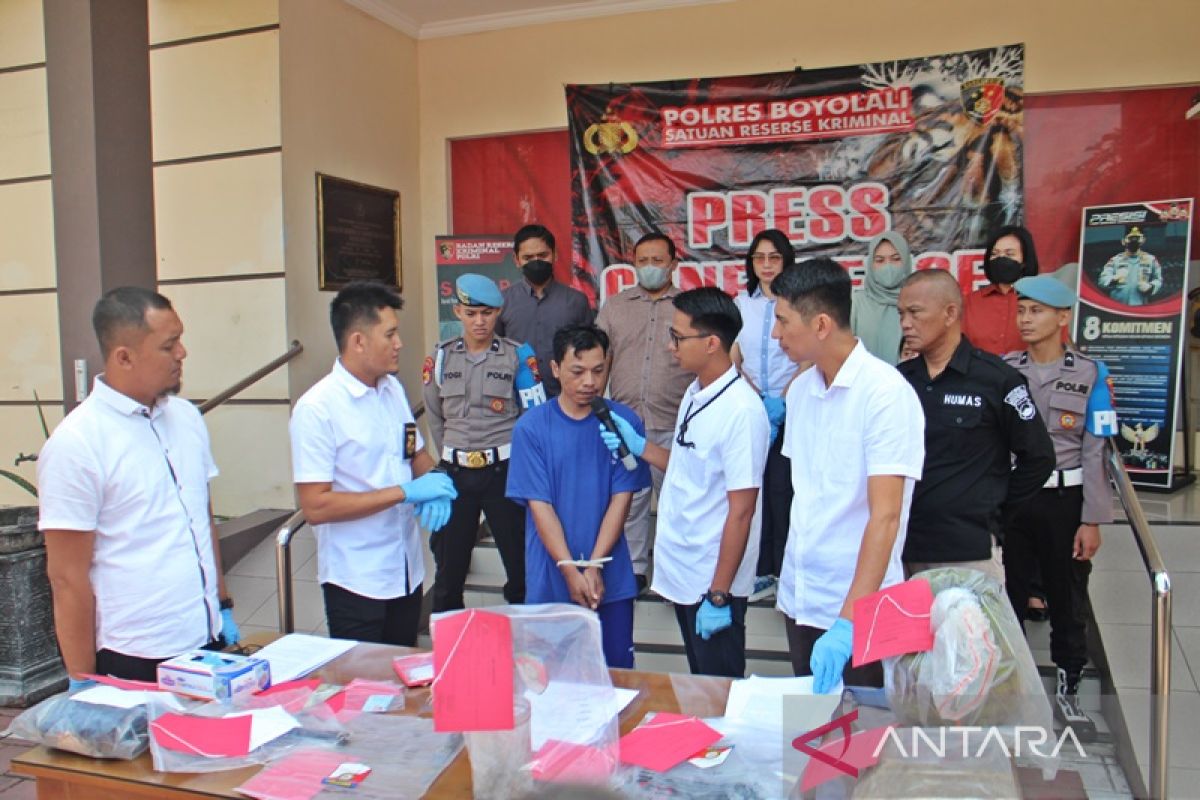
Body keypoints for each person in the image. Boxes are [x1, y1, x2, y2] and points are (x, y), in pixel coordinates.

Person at [39, 287, 238, 684]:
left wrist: (223, 602)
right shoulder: (77, 443)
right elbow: (66, 577)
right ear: (124, 357)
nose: (182, 353)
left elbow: (201, 516)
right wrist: (83, 679)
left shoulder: (186, 418)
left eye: (180, 340)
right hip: (136, 655)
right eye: (168, 345)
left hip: (205, 639)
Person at [768, 260, 925, 692]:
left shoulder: (885, 394)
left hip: (862, 608)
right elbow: (807, 495)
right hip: (803, 597)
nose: (776, 334)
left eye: (783, 320)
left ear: (821, 324)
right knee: (813, 722)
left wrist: (849, 620)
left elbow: (886, 517)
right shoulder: (801, 391)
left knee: (870, 726)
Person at [600, 287, 769, 678]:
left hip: (713, 580)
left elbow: (742, 512)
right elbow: (688, 467)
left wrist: (719, 594)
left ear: (711, 343)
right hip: (686, 570)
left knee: (721, 690)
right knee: (701, 683)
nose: (670, 346)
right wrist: (641, 447)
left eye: (678, 337)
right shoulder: (695, 392)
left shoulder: (742, 411)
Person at [290, 281, 457, 646]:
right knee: (362, 678)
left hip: (406, 571)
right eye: (390, 334)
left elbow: (413, 453)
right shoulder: (317, 409)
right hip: (357, 580)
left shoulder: (391, 389)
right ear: (358, 341)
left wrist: (437, 484)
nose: (400, 344)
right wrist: (404, 492)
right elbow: (316, 506)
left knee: (400, 671)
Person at [1003, 274, 1116, 739]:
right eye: (1021, 310)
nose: (1025, 319)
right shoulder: (1006, 370)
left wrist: (1093, 518)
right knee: (1007, 598)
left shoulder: (1091, 374)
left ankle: (1068, 691)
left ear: (1063, 317)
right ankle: (1010, 692)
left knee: (1067, 598)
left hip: (1064, 501)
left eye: (1036, 311)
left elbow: (1097, 450)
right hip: (1015, 499)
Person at [897, 269, 1055, 581]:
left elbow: (1038, 458)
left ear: (949, 313)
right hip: (901, 547)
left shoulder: (996, 379)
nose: (905, 323)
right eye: (901, 313)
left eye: (914, 312)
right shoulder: (898, 380)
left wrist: (994, 513)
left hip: (967, 551)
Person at [506, 325, 649, 668]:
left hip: (609, 577)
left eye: (598, 371)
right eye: (578, 371)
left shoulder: (622, 422)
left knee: (615, 676)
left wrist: (595, 564)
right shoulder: (531, 428)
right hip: (550, 578)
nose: (590, 381)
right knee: (550, 680)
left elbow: (622, 499)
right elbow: (540, 506)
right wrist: (570, 569)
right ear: (555, 369)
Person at [422, 274, 532, 612]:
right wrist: (451, 456)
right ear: (458, 312)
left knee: (521, 566)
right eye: (471, 313)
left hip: (504, 473)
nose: (479, 321)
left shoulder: (518, 356)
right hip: (456, 475)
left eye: (486, 313)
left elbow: (533, 416)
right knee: (449, 571)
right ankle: (450, 638)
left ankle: (523, 632)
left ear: (498, 312)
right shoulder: (440, 358)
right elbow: (435, 415)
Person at [594, 231, 691, 593]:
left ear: (673, 264)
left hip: (674, 422)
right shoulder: (615, 307)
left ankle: (673, 574)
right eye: (643, 261)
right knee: (629, 500)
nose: (650, 267)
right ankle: (634, 568)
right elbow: (600, 359)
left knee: (676, 503)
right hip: (625, 422)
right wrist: (597, 406)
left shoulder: (688, 307)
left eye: (657, 261)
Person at [730, 229, 801, 602]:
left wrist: (783, 402)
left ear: (786, 261)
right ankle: (760, 571)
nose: (767, 265)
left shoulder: (800, 303)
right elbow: (734, 359)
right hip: (752, 409)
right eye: (760, 257)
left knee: (784, 490)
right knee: (754, 492)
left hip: (793, 409)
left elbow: (807, 358)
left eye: (775, 257)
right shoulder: (741, 305)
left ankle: (785, 570)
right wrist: (757, 400)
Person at [496, 224, 593, 397]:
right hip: (516, 400)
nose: (536, 262)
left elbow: (587, 353)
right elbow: (494, 351)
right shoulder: (501, 301)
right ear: (516, 260)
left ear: (554, 254)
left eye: (542, 255)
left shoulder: (576, 301)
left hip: (565, 399)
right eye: (528, 257)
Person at [962, 225, 1040, 356]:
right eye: (994, 254)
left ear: (1024, 261)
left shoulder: (1043, 301)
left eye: (1009, 254)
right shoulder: (969, 303)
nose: (1001, 258)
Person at [851, 231, 913, 365]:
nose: (888, 266)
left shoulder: (918, 301)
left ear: (906, 262)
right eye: (880, 260)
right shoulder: (856, 303)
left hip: (909, 377)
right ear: (870, 264)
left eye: (896, 259)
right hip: (866, 377)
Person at [1099, 226, 1163, 306]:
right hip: (1117, 306)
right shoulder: (1115, 260)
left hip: (1140, 306)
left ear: (1143, 240)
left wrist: (1151, 287)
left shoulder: (1151, 260)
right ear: (1123, 241)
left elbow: (1158, 280)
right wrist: (1114, 279)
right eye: (1131, 238)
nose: (1134, 241)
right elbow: (1102, 280)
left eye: (1137, 238)